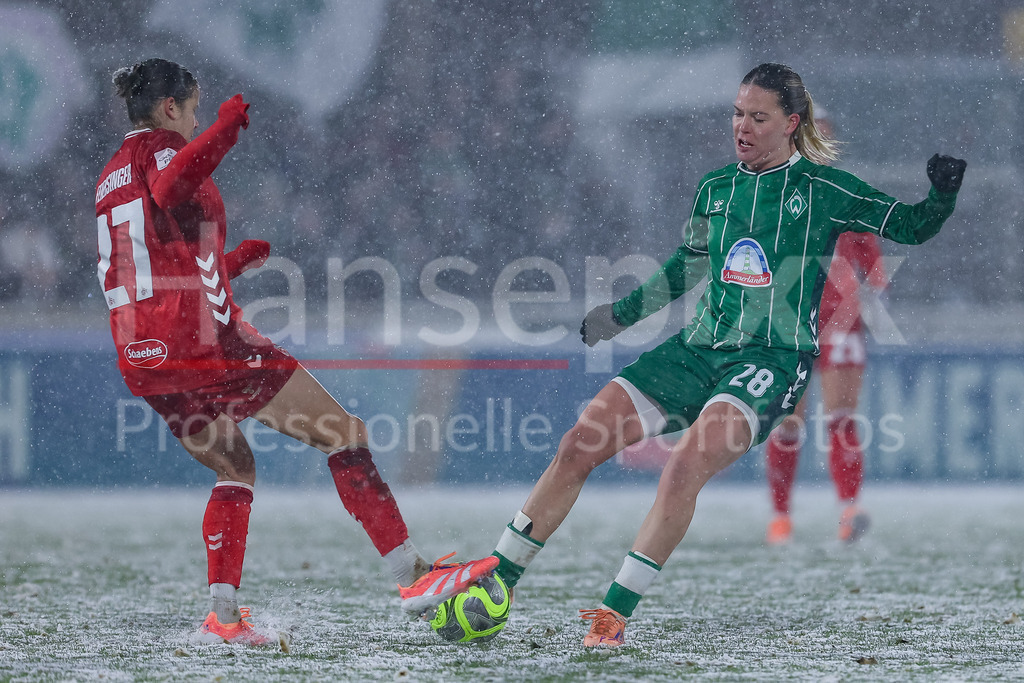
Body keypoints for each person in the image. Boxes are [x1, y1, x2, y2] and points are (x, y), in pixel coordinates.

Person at [470, 63, 966, 648]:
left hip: (773, 360)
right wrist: (620, 315)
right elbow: (688, 266)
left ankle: (612, 616)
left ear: (791, 123)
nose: (742, 126)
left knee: (683, 468)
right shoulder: (716, 187)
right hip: (699, 348)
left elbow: (911, 226)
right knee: (580, 442)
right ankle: (496, 584)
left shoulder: (826, 190)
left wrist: (942, 194)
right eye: (737, 113)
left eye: (758, 117)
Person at [95, 58, 495, 647]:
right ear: (171, 108)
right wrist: (225, 131)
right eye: (196, 109)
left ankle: (224, 618)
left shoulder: (109, 177)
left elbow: (151, 268)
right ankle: (412, 577)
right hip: (208, 347)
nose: (198, 120)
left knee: (235, 468)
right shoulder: (161, 150)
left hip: (146, 357)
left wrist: (226, 266)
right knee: (345, 433)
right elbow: (172, 183)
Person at [763, 110, 889, 545]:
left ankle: (848, 511)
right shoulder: (769, 196)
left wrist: (861, 296)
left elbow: (874, 271)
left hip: (840, 324)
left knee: (840, 418)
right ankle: (781, 518)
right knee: (787, 424)